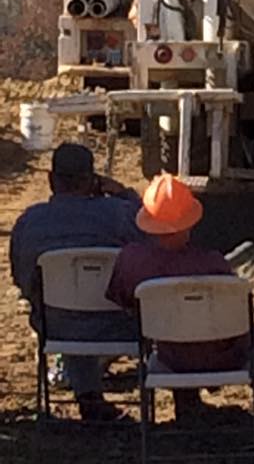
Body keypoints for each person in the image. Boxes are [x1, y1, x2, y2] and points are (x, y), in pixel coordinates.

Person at [106, 173, 254, 422]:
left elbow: (125, 304)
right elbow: (238, 323)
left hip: (168, 357)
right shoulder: (212, 264)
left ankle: (195, 403)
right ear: (190, 221)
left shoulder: (130, 260)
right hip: (226, 356)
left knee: (189, 339)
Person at [10, 142, 144, 421]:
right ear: (92, 180)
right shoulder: (120, 214)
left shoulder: (30, 222)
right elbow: (155, 245)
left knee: (67, 303)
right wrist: (127, 195)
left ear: (50, 179)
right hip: (122, 326)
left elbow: (22, 280)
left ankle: (88, 395)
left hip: (58, 328)